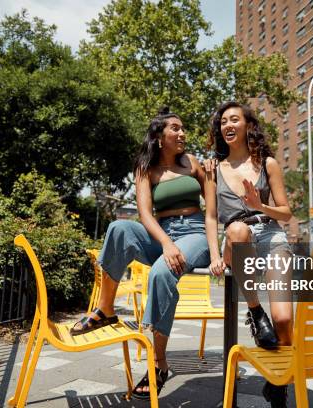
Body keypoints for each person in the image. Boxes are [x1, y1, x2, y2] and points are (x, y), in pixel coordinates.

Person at [70, 107, 210, 400]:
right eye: (175, 128)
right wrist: (167, 243)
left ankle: (159, 364)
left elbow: (215, 206)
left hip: (195, 234)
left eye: (183, 128)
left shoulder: (194, 163)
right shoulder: (146, 168)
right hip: (162, 233)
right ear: (160, 136)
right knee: (119, 228)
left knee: (161, 272)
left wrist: (215, 170)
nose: (182, 133)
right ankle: (105, 309)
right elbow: (145, 215)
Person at [204, 101, 293, 407]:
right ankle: (255, 312)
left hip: (271, 234)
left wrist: (260, 206)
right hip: (235, 240)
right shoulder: (213, 169)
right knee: (238, 230)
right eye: (223, 122)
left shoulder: (267, 164)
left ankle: (278, 384)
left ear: (247, 126)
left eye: (234, 120)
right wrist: (215, 255)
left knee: (283, 320)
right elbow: (212, 217)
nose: (227, 125)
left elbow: (286, 212)